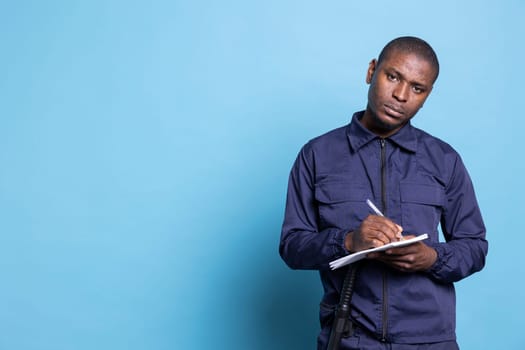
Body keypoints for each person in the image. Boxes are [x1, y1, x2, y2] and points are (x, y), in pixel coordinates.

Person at [279, 36, 488, 350]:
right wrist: (348, 241)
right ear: (371, 71)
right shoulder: (317, 155)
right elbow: (293, 246)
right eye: (393, 77)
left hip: (430, 341)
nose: (401, 95)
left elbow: (475, 246)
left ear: (427, 94)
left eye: (417, 88)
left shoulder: (444, 160)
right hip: (349, 339)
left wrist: (431, 258)